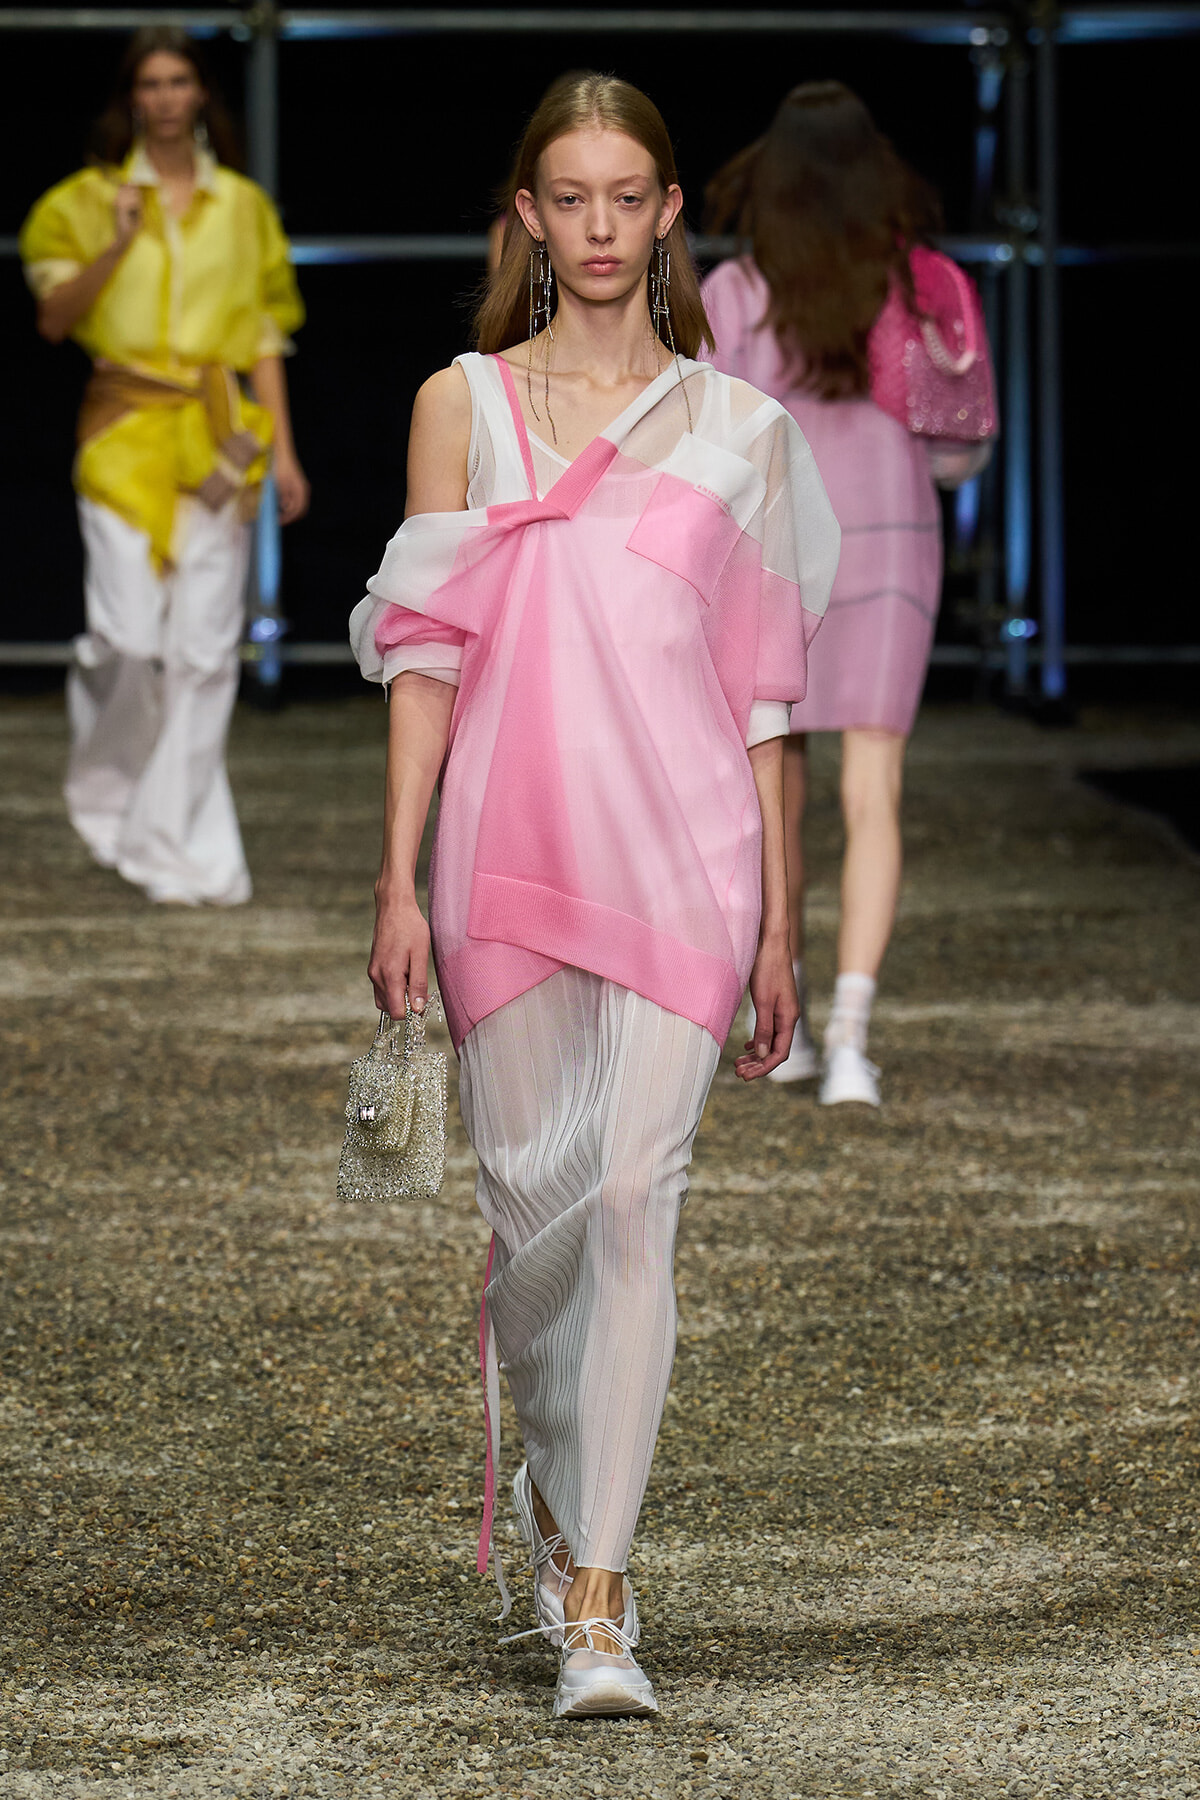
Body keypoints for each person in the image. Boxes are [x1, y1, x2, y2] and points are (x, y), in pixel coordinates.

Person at [350, 73, 839, 1718]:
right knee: (532, 1221)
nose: (604, 226)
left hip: (689, 859)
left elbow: (764, 698)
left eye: (631, 196)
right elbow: (425, 658)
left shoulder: (743, 431)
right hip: (506, 852)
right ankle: (563, 1504)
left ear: (672, 211)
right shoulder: (462, 406)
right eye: (573, 197)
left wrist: (782, 919)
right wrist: (398, 875)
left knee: (632, 1195)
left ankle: (602, 1604)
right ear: (531, 216)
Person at [703, 82, 992, 1105]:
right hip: (890, 545)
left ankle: (786, 1024)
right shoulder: (922, 287)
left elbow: (705, 446)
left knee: (772, 793)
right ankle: (854, 1045)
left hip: (774, 552)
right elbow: (958, 455)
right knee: (876, 794)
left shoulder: (735, 293)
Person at [19, 27, 308, 907]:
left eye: (180, 80)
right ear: (131, 98)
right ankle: (110, 797)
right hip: (125, 432)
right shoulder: (81, 202)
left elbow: (264, 338)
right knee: (128, 638)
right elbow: (53, 320)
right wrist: (115, 243)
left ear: (200, 92)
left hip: (219, 435)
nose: (167, 97)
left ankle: (180, 844)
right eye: (151, 83)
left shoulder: (243, 208)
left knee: (205, 652)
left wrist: (286, 454)